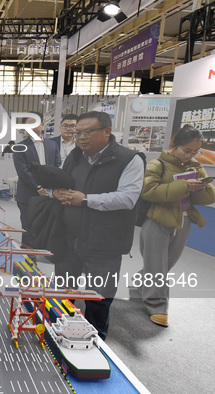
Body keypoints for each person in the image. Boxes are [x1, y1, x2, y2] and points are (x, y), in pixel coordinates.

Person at [52, 111, 144, 340]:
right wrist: (55, 192)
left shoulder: (130, 159)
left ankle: (96, 341)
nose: (81, 137)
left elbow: (127, 198)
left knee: (99, 297)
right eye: (78, 132)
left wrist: (85, 199)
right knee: (62, 292)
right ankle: (58, 334)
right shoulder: (74, 157)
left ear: (107, 131)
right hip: (70, 237)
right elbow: (60, 184)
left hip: (105, 242)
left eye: (87, 132)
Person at [138, 125, 215, 327]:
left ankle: (141, 282)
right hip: (157, 220)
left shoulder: (196, 166)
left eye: (195, 151)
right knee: (157, 268)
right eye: (187, 150)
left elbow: (208, 198)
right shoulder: (157, 164)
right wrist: (184, 186)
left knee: (166, 263)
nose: (190, 155)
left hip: (184, 220)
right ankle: (158, 306)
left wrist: (202, 186)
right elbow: (148, 191)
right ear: (175, 145)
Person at [13, 112, 61, 251]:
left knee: (46, 226)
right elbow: (23, 172)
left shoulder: (52, 146)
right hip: (28, 195)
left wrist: (52, 187)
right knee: (28, 228)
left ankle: (41, 254)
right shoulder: (19, 147)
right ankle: (29, 263)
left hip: (49, 195)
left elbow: (57, 167)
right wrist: (39, 187)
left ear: (43, 124)